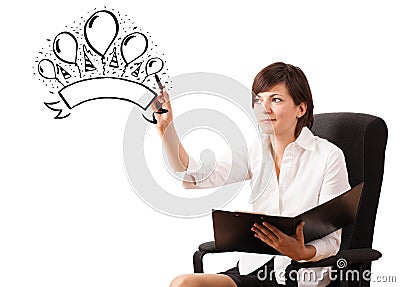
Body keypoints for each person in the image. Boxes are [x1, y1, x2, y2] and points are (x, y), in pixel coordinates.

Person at [152, 62, 350, 287]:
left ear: (300, 109)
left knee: (186, 284)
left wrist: (302, 251)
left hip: (299, 274)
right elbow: (196, 175)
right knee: (184, 284)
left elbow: (332, 240)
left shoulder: (328, 157)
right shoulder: (256, 151)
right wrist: (166, 130)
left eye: (275, 100)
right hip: (255, 267)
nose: (264, 108)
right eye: (258, 100)